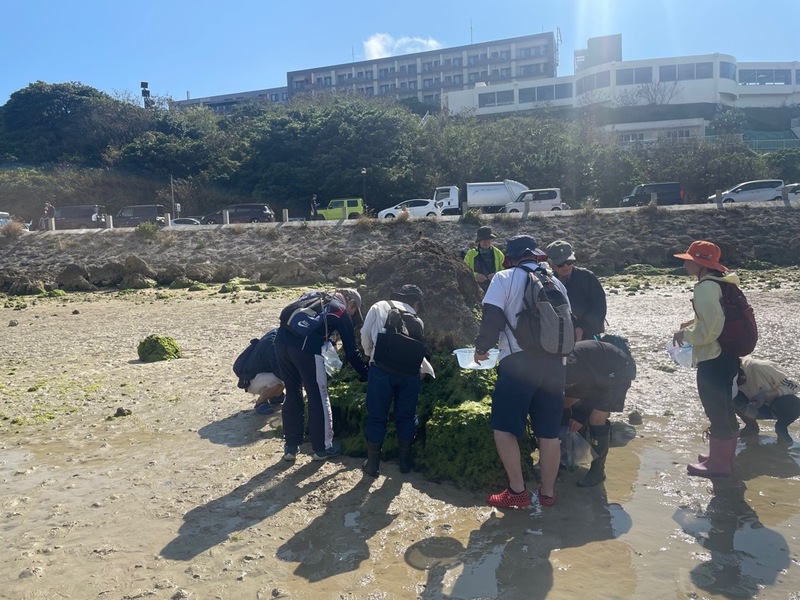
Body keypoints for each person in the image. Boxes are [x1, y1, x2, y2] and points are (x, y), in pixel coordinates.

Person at [474, 235, 569, 508]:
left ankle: (517, 491)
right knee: (549, 434)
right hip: (555, 363)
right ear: (536, 255)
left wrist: (481, 350)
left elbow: (491, 319)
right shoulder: (556, 283)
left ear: (509, 258)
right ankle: (548, 493)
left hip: (518, 362)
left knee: (504, 428)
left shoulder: (503, 278)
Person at [275, 288, 369, 462]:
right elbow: (351, 350)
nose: (352, 317)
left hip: (280, 343)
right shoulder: (340, 310)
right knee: (318, 395)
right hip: (306, 350)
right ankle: (322, 447)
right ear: (351, 303)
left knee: (293, 392)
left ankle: (290, 447)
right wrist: (365, 374)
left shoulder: (312, 296)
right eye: (354, 312)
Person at [673, 240, 742, 478]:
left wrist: (687, 335)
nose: (684, 265)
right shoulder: (723, 281)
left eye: (689, 261)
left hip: (714, 356)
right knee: (725, 405)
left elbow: (711, 328)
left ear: (701, 264)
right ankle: (723, 458)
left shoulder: (704, 287)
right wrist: (692, 322)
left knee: (716, 408)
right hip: (728, 354)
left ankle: (719, 465)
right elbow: (717, 315)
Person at [360, 284, 432, 476]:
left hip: (381, 370)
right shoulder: (418, 319)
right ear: (415, 303)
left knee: (377, 417)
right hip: (409, 375)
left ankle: (373, 465)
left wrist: (372, 355)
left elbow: (365, 335)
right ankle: (405, 464)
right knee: (407, 417)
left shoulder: (380, 306)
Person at [563, 335, 637, 487]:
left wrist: (579, 415)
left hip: (618, 371)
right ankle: (574, 457)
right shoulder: (559, 365)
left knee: (596, 418)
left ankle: (598, 471)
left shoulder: (570, 366)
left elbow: (591, 389)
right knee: (569, 407)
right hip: (599, 374)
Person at [546, 240, 607, 341]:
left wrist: (583, 329)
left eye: (569, 262)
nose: (566, 266)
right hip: (558, 336)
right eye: (560, 264)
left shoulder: (587, 277)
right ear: (551, 264)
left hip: (587, 336)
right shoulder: (547, 282)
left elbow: (599, 307)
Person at [734, 356, 799, 445]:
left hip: (780, 405)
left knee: (795, 404)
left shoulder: (759, 367)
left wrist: (766, 395)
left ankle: (781, 428)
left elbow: (794, 386)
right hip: (755, 408)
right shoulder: (725, 378)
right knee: (730, 400)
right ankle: (751, 427)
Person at [239, 328, 285, 415]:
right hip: (251, 379)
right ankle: (261, 402)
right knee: (281, 380)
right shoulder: (272, 343)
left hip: (262, 374)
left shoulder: (278, 333)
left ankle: (276, 396)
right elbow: (279, 371)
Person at [463, 226, 505, 292]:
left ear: (491, 240)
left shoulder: (499, 254)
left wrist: (496, 275)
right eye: (484, 240)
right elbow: (464, 271)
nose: (486, 242)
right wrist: (475, 276)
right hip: (476, 289)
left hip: (495, 288)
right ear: (479, 241)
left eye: (488, 240)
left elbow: (505, 271)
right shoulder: (470, 254)